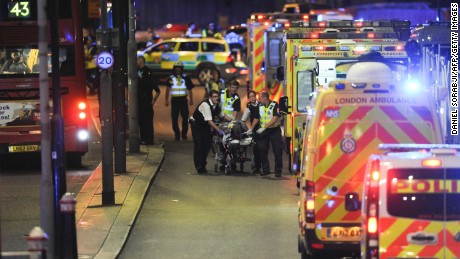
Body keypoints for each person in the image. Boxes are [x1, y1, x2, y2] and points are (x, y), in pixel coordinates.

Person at [190, 89, 223, 174]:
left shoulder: (217, 105)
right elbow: (209, 121)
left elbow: (222, 115)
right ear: (210, 98)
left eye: (217, 96)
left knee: (207, 144)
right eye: (214, 97)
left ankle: (202, 163)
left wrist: (232, 121)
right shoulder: (206, 105)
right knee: (199, 144)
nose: (216, 98)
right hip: (196, 124)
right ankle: (199, 166)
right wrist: (218, 130)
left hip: (204, 125)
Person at [253, 91, 283, 177]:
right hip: (264, 131)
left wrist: (264, 127)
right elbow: (256, 118)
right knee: (262, 149)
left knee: (277, 150)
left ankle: (278, 171)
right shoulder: (260, 106)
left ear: (265, 98)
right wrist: (251, 129)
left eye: (260, 98)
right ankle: (265, 169)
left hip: (274, 130)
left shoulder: (274, 105)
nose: (259, 100)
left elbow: (275, 119)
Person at [165, 60, 194, 141]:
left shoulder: (186, 78)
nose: (178, 69)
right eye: (176, 68)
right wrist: (166, 100)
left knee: (185, 118)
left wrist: (191, 99)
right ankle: (177, 134)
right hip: (174, 100)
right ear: (174, 69)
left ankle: (184, 134)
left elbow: (190, 89)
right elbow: (167, 89)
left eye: (179, 68)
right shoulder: (171, 78)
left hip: (183, 100)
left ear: (182, 69)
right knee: (174, 118)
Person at [137, 56, 161, 145]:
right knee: (141, 121)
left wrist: (153, 100)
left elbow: (156, 89)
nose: (136, 62)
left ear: (141, 61)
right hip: (139, 100)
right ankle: (143, 139)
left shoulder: (147, 72)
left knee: (147, 121)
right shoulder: (136, 70)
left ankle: (149, 140)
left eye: (137, 60)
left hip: (146, 99)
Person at [240, 90, 261, 173]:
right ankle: (257, 167)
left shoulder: (260, 104)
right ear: (248, 98)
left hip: (262, 127)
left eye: (253, 96)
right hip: (255, 129)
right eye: (250, 96)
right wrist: (246, 129)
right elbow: (243, 120)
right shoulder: (248, 107)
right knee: (256, 149)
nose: (252, 98)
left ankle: (263, 167)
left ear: (255, 96)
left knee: (262, 149)